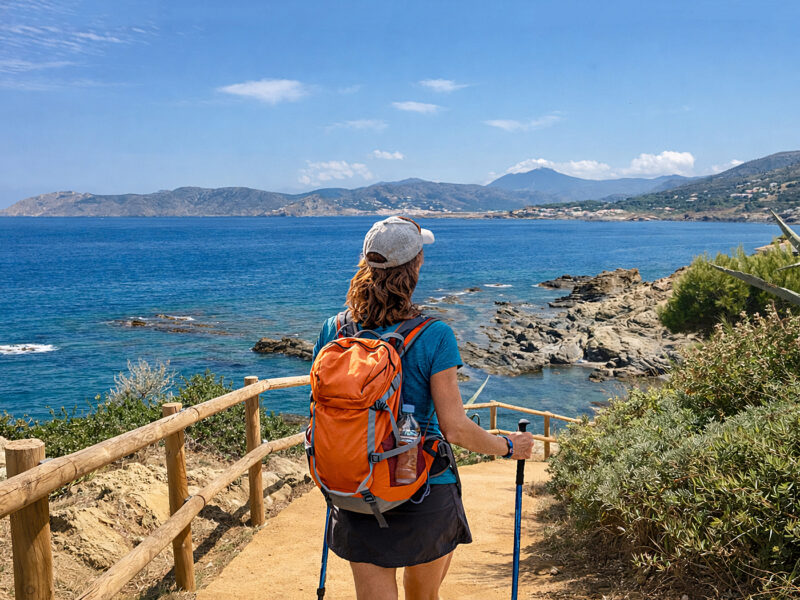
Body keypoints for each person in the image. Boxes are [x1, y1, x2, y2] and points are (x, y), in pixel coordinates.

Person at [312, 216, 535, 600]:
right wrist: (509, 446)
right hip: (423, 486)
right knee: (423, 596)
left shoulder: (334, 330)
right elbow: (456, 429)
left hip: (355, 485)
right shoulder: (434, 335)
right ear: (416, 266)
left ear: (366, 265)